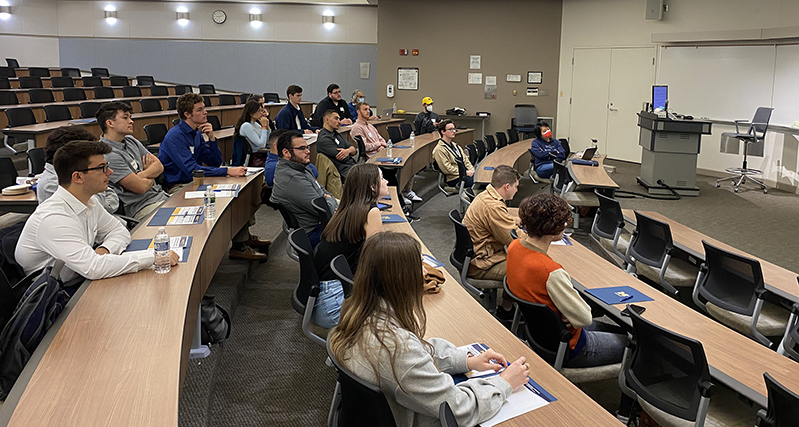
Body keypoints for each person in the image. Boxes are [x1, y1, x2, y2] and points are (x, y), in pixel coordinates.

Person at [328, 231, 530, 427]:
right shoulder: (397, 347)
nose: (425, 272)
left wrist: (465, 360)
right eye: (419, 266)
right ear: (399, 277)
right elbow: (458, 409)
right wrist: (504, 384)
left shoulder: (356, 313)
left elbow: (417, 352)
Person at [16, 140, 178, 283]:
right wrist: (155, 257)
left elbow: (119, 231)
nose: (110, 172)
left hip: (81, 279)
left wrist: (104, 250)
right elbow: (94, 269)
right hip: (60, 296)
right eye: (102, 168)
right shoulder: (53, 218)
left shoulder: (89, 201)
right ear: (78, 177)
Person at [506, 193, 627, 368]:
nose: (565, 224)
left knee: (618, 332)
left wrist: (565, 312)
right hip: (570, 347)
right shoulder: (551, 272)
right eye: (561, 222)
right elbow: (584, 318)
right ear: (550, 228)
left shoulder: (514, 246)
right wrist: (571, 313)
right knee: (636, 346)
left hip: (540, 337)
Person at [159, 93, 269, 261]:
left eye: (204, 108)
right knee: (224, 197)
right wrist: (226, 171)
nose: (205, 113)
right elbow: (191, 170)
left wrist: (211, 139)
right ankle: (238, 246)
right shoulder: (175, 136)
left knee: (238, 190)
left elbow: (214, 161)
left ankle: (243, 237)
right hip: (180, 185)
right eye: (200, 109)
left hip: (196, 181)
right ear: (187, 114)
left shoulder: (196, 133)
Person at [311, 163, 388, 328]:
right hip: (334, 304)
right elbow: (377, 259)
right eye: (382, 178)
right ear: (372, 187)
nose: (387, 181)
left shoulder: (346, 209)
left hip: (323, 299)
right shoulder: (371, 212)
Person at [462, 165, 521, 320]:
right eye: (516, 187)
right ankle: (506, 311)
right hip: (482, 264)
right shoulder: (493, 206)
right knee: (525, 270)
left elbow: (502, 221)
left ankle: (507, 307)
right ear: (506, 186)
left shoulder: (486, 196)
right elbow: (514, 239)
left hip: (476, 257)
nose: (517, 190)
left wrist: (516, 220)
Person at [96, 102, 169, 221]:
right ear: (109, 123)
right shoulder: (107, 154)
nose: (131, 121)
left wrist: (142, 174)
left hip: (161, 196)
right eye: (125, 117)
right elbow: (141, 187)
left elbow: (159, 166)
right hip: (143, 208)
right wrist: (150, 174)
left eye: (130, 117)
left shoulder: (131, 140)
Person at [271, 131, 338, 247]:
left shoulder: (302, 167)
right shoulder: (292, 179)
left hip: (324, 223)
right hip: (316, 233)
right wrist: (330, 200)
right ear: (286, 152)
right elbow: (326, 211)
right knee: (363, 232)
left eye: (307, 147)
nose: (308, 151)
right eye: (302, 148)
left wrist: (328, 198)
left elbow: (322, 190)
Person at [36, 126, 120, 215]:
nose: (110, 172)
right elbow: (96, 209)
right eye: (101, 167)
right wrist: (102, 197)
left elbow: (112, 195)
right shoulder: (51, 184)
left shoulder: (86, 171)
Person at [350, 102, 422, 203]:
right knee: (392, 171)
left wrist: (380, 145)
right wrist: (378, 145)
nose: (368, 111)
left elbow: (383, 140)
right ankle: (399, 199)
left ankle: (404, 192)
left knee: (407, 162)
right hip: (372, 159)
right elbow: (365, 147)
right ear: (358, 112)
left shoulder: (370, 126)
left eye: (368, 109)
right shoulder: (357, 128)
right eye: (365, 109)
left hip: (381, 153)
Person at [432, 119, 474, 189]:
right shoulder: (439, 149)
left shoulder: (455, 145)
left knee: (482, 179)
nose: (454, 132)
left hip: (464, 174)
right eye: (451, 129)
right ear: (443, 132)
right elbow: (447, 169)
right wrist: (466, 173)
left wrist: (472, 171)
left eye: (454, 129)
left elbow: (466, 161)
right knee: (478, 183)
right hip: (454, 178)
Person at [316, 110, 357, 180]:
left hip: (352, 166)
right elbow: (344, 157)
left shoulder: (337, 134)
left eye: (339, 119)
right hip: (343, 173)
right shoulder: (324, 139)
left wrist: (348, 151)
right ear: (326, 120)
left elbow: (354, 150)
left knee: (377, 171)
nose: (339, 121)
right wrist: (349, 151)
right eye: (336, 118)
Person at [233, 100, 272, 166]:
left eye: (261, 110)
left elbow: (268, 141)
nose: (261, 113)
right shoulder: (246, 126)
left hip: (261, 154)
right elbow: (261, 144)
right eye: (259, 111)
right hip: (255, 158)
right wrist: (264, 127)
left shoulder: (256, 124)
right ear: (251, 113)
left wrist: (267, 128)